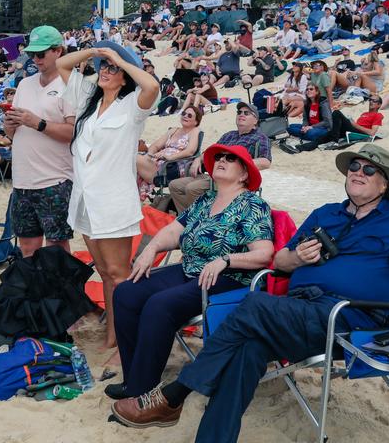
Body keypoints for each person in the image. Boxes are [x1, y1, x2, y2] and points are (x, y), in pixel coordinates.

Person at [110, 144, 389, 440]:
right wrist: (297, 256)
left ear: (384, 185)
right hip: (300, 312)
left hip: (353, 318)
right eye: (354, 166)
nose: (358, 172)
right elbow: (279, 260)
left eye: (370, 170)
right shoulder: (326, 214)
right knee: (247, 347)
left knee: (255, 304)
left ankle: (174, 394)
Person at [107, 145, 273, 399]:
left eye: (231, 159)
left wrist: (226, 260)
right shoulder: (205, 200)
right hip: (190, 271)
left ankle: (143, 387)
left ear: (243, 175)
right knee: (127, 292)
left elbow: (264, 253)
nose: (222, 160)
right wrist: (151, 248)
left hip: (227, 279)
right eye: (219, 156)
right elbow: (174, 231)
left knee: (159, 305)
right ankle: (133, 377)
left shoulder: (251, 205)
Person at [56, 41, 160, 348]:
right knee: (103, 272)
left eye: (113, 69)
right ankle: (114, 336)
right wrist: (94, 53)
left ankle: (121, 339)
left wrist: (120, 59)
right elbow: (62, 65)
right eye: (104, 67)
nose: (106, 71)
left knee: (118, 275)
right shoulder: (90, 100)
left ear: (125, 76)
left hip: (114, 202)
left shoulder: (132, 108)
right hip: (87, 200)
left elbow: (152, 85)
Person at [3, 26, 77, 259]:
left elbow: (74, 132)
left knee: (56, 246)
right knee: (27, 246)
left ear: (58, 51)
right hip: (23, 178)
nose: (36, 59)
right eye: (33, 54)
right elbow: (13, 135)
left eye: (41, 53)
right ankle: (36, 295)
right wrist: (11, 124)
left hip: (55, 179)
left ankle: (61, 295)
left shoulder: (71, 85)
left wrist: (38, 123)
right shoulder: (25, 84)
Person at [168, 102, 272, 212]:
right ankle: (186, 219)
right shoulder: (229, 135)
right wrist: (198, 160)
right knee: (175, 185)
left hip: (233, 180)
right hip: (214, 175)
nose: (241, 115)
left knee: (192, 189)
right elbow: (210, 151)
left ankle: (197, 220)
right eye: (239, 112)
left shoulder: (260, 137)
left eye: (246, 113)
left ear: (255, 120)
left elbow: (266, 161)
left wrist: (240, 164)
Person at [136, 105, 202, 197]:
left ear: (196, 121)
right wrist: (149, 154)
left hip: (169, 168)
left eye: (189, 115)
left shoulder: (195, 131)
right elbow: (155, 145)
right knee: (134, 160)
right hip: (157, 162)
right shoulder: (173, 130)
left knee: (134, 158)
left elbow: (190, 151)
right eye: (183, 113)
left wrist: (170, 157)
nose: (185, 116)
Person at [281, 84, 333, 152]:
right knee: (289, 127)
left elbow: (327, 122)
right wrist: (304, 126)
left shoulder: (323, 103)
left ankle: (303, 134)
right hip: (310, 126)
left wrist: (311, 127)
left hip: (323, 128)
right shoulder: (306, 104)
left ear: (317, 92)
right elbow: (305, 119)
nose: (308, 91)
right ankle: (303, 133)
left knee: (310, 133)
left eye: (311, 89)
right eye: (307, 89)